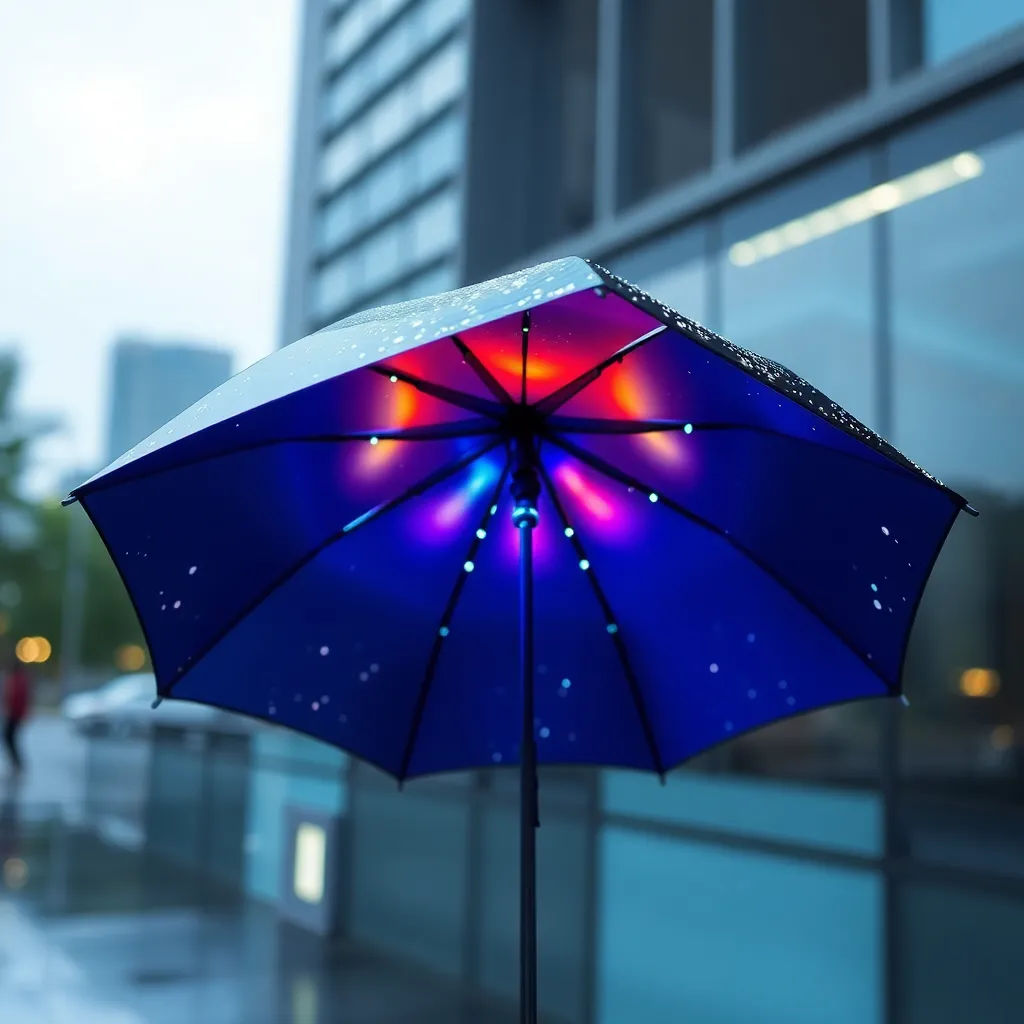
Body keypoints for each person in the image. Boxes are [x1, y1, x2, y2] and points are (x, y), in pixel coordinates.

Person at [2, 656, 30, 777]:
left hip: (14, 714)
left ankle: (17, 765)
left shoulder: (18, 680)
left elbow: (16, 698)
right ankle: (16, 764)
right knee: (10, 739)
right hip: (14, 714)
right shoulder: (15, 679)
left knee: (9, 738)